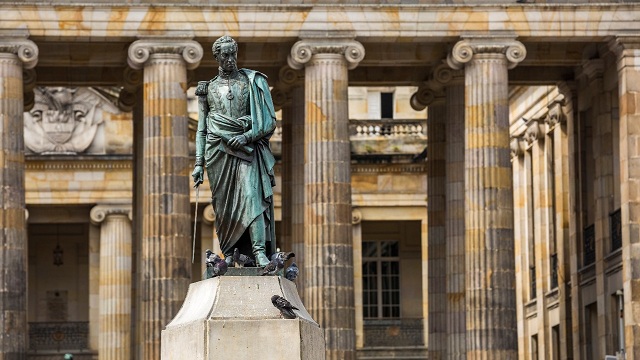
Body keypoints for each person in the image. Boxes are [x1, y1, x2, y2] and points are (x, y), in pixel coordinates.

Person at [192, 35, 277, 267]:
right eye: (225, 55)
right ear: (217, 56)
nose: (231, 59)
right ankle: (229, 252)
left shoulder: (253, 81)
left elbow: (268, 120)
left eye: (233, 54)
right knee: (223, 206)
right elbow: (202, 129)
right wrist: (199, 163)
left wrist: (247, 136)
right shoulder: (207, 89)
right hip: (217, 152)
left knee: (252, 196)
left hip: (247, 150)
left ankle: (259, 251)